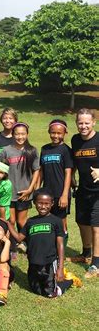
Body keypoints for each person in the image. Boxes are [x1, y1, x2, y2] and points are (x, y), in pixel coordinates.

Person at [8, 189, 74, 297]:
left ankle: (68, 281)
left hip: (49, 262)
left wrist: (60, 268)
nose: (43, 207)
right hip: (33, 261)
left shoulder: (56, 221)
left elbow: (60, 244)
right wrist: (8, 224)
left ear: (52, 204)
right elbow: (19, 238)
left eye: (46, 204)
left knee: (50, 294)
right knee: (34, 289)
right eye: (40, 203)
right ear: (34, 203)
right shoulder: (30, 221)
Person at [0, 122, 40, 256]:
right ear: (13, 134)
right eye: (17, 134)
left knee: (22, 221)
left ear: (27, 134)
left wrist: (30, 189)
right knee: (10, 221)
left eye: (23, 134)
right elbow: (0, 171)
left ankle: (27, 242)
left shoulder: (31, 150)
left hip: (24, 193)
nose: (20, 136)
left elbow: (36, 171)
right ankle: (11, 246)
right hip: (8, 193)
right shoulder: (6, 150)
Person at [71, 108, 99, 278]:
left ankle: (96, 264)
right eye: (80, 123)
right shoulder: (75, 140)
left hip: (98, 192)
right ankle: (86, 254)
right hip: (83, 190)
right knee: (82, 222)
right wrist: (72, 174)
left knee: (96, 227)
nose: (83, 126)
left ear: (93, 122)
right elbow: (76, 159)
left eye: (87, 123)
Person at [39, 119, 73, 246]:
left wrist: (65, 195)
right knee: (48, 220)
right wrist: (38, 190)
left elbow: (68, 173)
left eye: (59, 133)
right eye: (53, 133)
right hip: (47, 194)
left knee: (61, 222)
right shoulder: (44, 149)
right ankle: (51, 246)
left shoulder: (66, 150)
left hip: (60, 194)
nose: (56, 136)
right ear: (49, 132)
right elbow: (41, 171)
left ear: (65, 133)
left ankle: (62, 248)